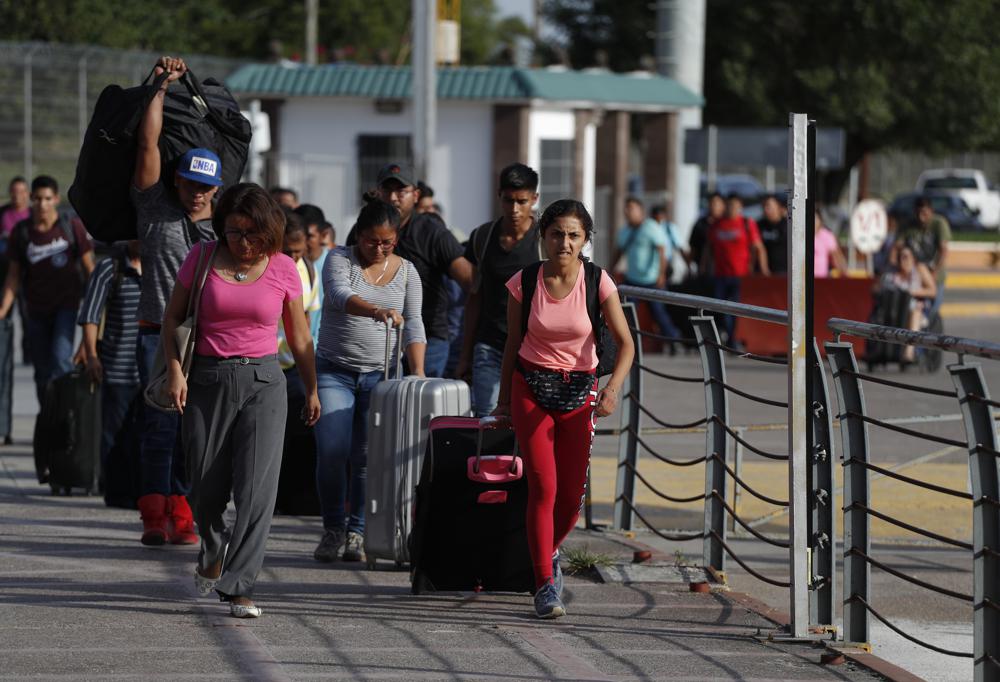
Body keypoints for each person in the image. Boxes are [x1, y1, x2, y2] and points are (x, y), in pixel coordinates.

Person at [164, 183, 320, 619]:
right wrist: (176, 372)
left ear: (269, 230)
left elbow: (300, 334)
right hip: (205, 380)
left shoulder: (284, 267)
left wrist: (311, 387)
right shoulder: (202, 258)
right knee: (206, 488)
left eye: (253, 233)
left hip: (264, 381)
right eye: (234, 232)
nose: (244, 243)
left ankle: (239, 585)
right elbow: (172, 318)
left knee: (256, 491)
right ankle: (213, 550)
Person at [494, 199, 634, 619]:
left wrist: (612, 390)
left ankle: (547, 553)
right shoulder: (525, 281)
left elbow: (626, 344)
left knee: (571, 498)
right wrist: (503, 401)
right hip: (531, 388)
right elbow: (512, 344)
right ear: (543, 236)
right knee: (543, 486)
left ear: (586, 239)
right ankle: (543, 585)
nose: (565, 243)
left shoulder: (598, 281)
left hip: (580, 393)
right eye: (557, 234)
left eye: (574, 235)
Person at [131, 55, 220, 547]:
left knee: (195, 432)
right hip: (154, 331)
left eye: (206, 188)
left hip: (206, 337)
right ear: (176, 181)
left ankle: (184, 515)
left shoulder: (227, 227)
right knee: (159, 426)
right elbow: (147, 143)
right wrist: (161, 88)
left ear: (217, 190)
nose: (197, 195)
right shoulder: (154, 208)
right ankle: (153, 516)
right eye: (190, 184)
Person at [312, 197, 426, 563]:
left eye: (386, 242)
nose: (378, 249)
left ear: (397, 239)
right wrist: (376, 310)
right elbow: (339, 294)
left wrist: (419, 373)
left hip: (382, 376)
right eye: (371, 241)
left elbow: (415, 324)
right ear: (358, 236)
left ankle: (357, 532)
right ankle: (333, 526)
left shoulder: (407, 272)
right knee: (332, 449)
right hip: (335, 370)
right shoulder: (339, 259)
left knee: (366, 457)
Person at [350, 162, 472, 377]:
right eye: (387, 190)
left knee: (422, 406)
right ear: (378, 193)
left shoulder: (432, 231)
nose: (394, 197)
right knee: (382, 407)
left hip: (428, 338)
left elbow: (470, 280)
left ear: (415, 195)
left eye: (401, 191)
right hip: (377, 338)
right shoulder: (363, 229)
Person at [0, 176, 95, 402]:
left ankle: (63, 421)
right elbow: (13, 277)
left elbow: (90, 269)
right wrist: (3, 309)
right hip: (36, 311)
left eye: (47, 199)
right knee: (41, 370)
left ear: (56, 199)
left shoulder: (71, 227)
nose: (42, 204)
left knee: (61, 361)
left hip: (66, 306)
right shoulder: (22, 232)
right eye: (38, 199)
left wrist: (94, 308)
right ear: (31, 199)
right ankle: (47, 419)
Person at [458, 163, 542, 416]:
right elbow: (475, 298)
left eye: (522, 201)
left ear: (534, 199)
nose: (514, 209)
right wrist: (465, 355)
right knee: (487, 417)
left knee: (527, 420)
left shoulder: (545, 240)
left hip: (533, 348)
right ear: (499, 197)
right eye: (508, 200)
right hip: (490, 345)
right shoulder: (482, 237)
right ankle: (489, 458)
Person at [73, 240, 142, 491]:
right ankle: (114, 487)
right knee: (114, 434)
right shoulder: (108, 269)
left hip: (155, 371)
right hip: (117, 368)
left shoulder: (164, 265)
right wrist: (91, 355)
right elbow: (90, 315)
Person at [612, 196, 682, 349]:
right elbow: (618, 252)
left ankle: (673, 341)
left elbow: (662, 251)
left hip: (652, 280)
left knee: (659, 314)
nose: (627, 212)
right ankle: (627, 344)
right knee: (626, 313)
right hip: (632, 280)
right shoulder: (625, 231)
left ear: (640, 211)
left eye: (631, 208)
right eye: (626, 208)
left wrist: (661, 274)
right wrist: (610, 271)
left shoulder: (651, 227)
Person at [703, 194, 770, 345]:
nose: (732, 208)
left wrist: (764, 269)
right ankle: (728, 336)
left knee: (737, 309)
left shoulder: (747, 223)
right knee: (721, 308)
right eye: (729, 205)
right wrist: (704, 266)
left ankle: (734, 338)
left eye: (735, 205)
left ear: (740, 207)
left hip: (741, 275)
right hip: (720, 275)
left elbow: (758, 247)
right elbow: (709, 248)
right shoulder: (717, 224)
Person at [881, 244, 936, 363]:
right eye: (900, 257)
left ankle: (909, 352)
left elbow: (932, 291)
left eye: (906, 257)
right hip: (894, 309)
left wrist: (914, 292)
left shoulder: (919, 269)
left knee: (914, 314)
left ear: (913, 258)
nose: (902, 260)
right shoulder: (892, 272)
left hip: (915, 309)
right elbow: (877, 288)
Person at [897, 196, 950, 315]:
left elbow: (944, 250)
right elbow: (897, 247)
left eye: (924, 213)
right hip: (914, 275)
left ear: (931, 211)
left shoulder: (939, 224)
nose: (921, 217)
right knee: (912, 309)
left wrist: (934, 272)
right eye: (918, 213)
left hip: (933, 273)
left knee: (931, 311)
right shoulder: (909, 224)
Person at [295, 204, 328, 345]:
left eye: (309, 236)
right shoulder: (287, 267)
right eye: (298, 235)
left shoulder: (336, 267)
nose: (303, 243)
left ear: (324, 235)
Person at [688, 192, 726, 276]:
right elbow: (693, 247)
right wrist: (689, 267)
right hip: (705, 269)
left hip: (725, 270)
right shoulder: (700, 224)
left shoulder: (728, 224)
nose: (713, 206)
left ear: (723, 205)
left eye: (716, 203)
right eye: (711, 203)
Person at [757, 195, 788, 274]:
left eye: (768, 206)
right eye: (763, 206)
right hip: (764, 272)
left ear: (778, 207)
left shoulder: (788, 225)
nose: (765, 209)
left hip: (784, 271)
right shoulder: (759, 225)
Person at [814, 212, 848, 278]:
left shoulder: (826, 235)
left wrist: (843, 272)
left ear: (820, 220)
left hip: (822, 278)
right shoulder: (802, 236)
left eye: (815, 219)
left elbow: (836, 256)